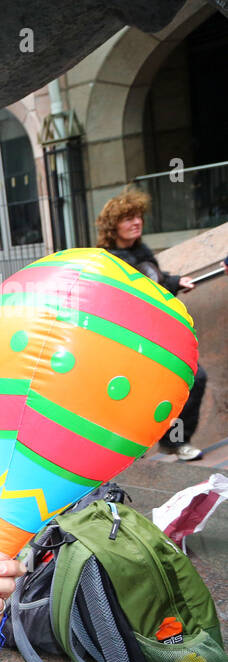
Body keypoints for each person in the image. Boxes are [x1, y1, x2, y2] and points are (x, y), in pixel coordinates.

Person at [96, 188, 204, 461]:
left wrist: (175, 281)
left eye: (138, 217)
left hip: (160, 337)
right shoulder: (108, 260)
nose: (136, 222)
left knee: (195, 379)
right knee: (134, 397)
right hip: (132, 343)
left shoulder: (141, 251)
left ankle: (174, 442)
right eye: (128, 218)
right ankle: (130, 449)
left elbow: (155, 281)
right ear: (113, 226)